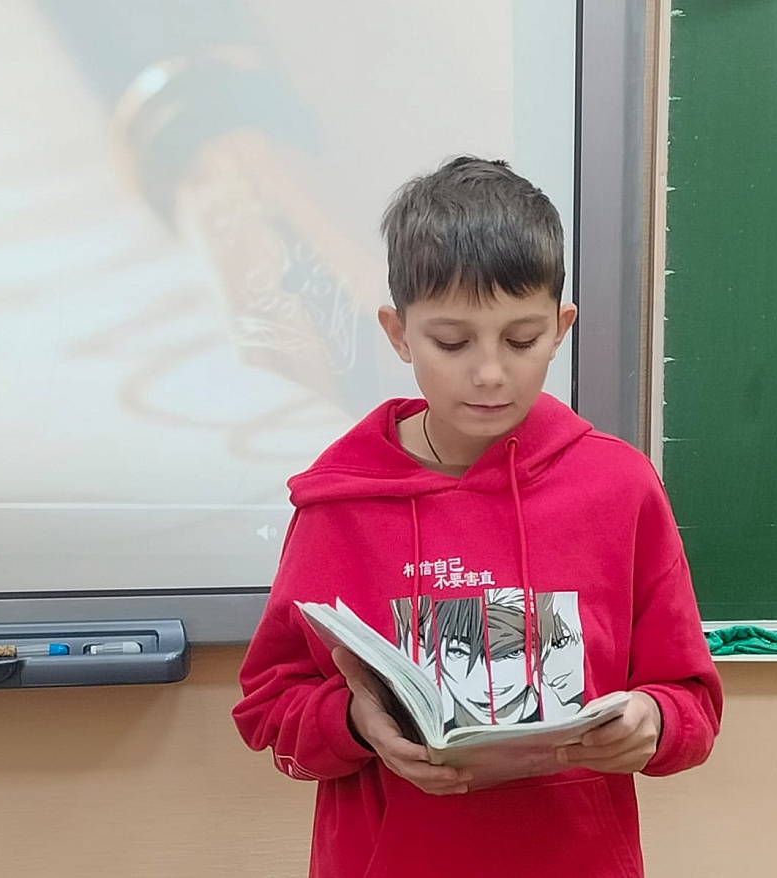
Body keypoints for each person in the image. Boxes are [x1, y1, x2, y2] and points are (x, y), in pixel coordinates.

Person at [233, 156, 723, 878]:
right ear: (398, 334)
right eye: (452, 342)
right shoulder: (340, 504)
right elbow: (269, 706)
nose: (490, 372)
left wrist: (652, 722)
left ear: (561, 327)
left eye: (522, 340)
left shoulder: (619, 489)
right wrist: (354, 722)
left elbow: (691, 704)